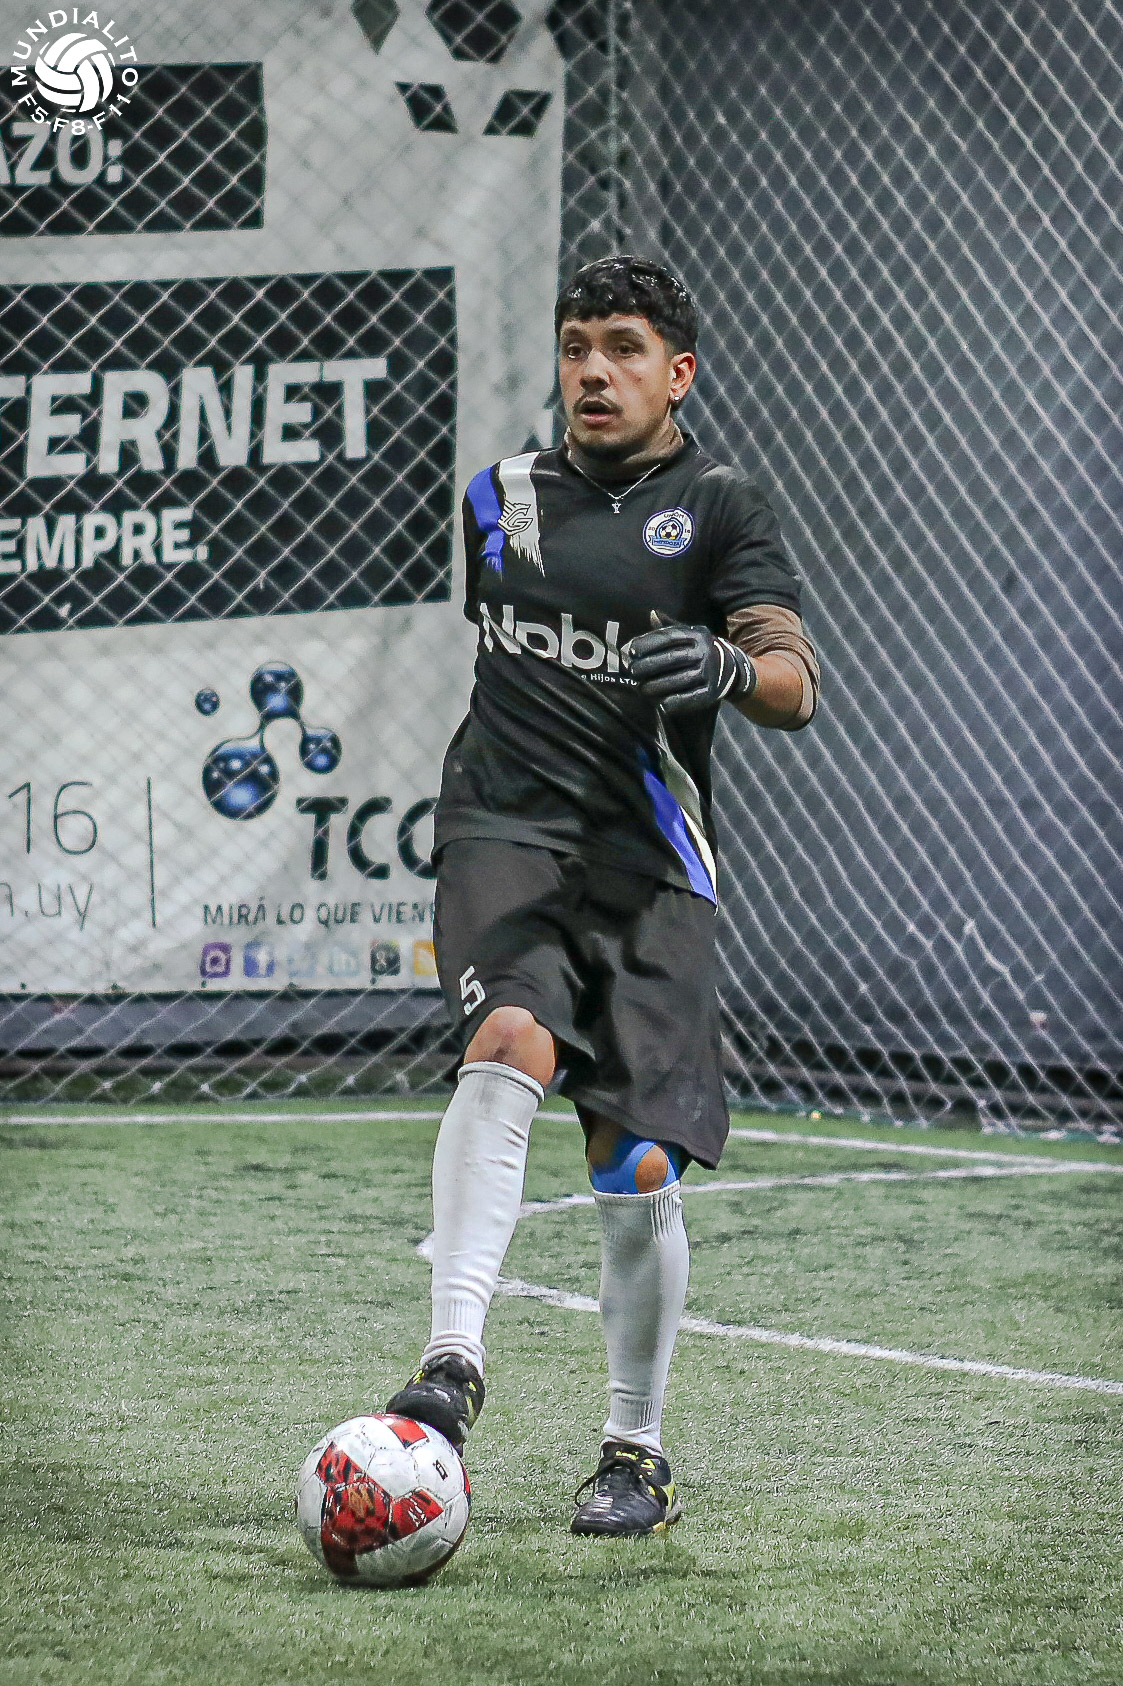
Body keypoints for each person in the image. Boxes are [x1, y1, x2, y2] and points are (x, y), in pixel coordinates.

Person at [387, 255, 819, 1537]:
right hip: (503, 830)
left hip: (652, 868)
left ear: (676, 373)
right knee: (507, 1038)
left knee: (632, 1166)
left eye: (623, 347)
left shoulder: (723, 503)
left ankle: (635, 1453)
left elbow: (794, 682)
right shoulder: (498, 499)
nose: (592, 370)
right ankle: (451, 1363)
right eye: (576, 344)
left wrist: (727, 669)